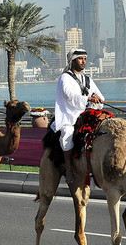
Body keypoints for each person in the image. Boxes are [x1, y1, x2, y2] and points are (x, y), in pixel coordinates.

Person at [51, 48, 104, 185]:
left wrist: (98, 98)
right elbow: (69, 96)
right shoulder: (65, 77)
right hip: (69, 116)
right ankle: (68, 169)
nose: (83, 61)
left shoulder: (88, 79)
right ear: (72, 61)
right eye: (80, 59)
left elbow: (99, 96)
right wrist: (88, 99)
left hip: (85, 115)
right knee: (67, 135)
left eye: (85, 59)